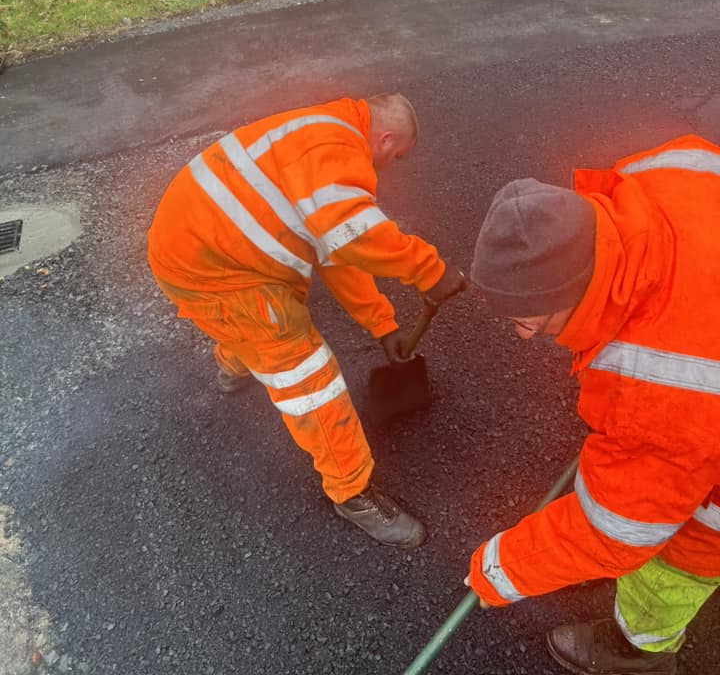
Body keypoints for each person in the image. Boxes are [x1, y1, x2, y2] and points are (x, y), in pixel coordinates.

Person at [147, 93, 465, 548]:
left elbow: (334, 249)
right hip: (217, 270)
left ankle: (234, 365)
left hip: (202, 247)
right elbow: (354, 234)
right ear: (386, 137)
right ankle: (351, 491)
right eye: (395, 157)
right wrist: (430, 271)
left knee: (254, 325)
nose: (388, 168)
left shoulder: (323, 130)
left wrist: (383, 324)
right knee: (306, 370)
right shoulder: (336, 153)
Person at [466, 134, 720, 675]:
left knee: (684, 551)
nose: (524, 337)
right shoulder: (661, 176)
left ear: (571, 294)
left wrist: (500, 569)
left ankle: (639, 653)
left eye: (528, 320)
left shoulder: (655, 387)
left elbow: (617, 531)